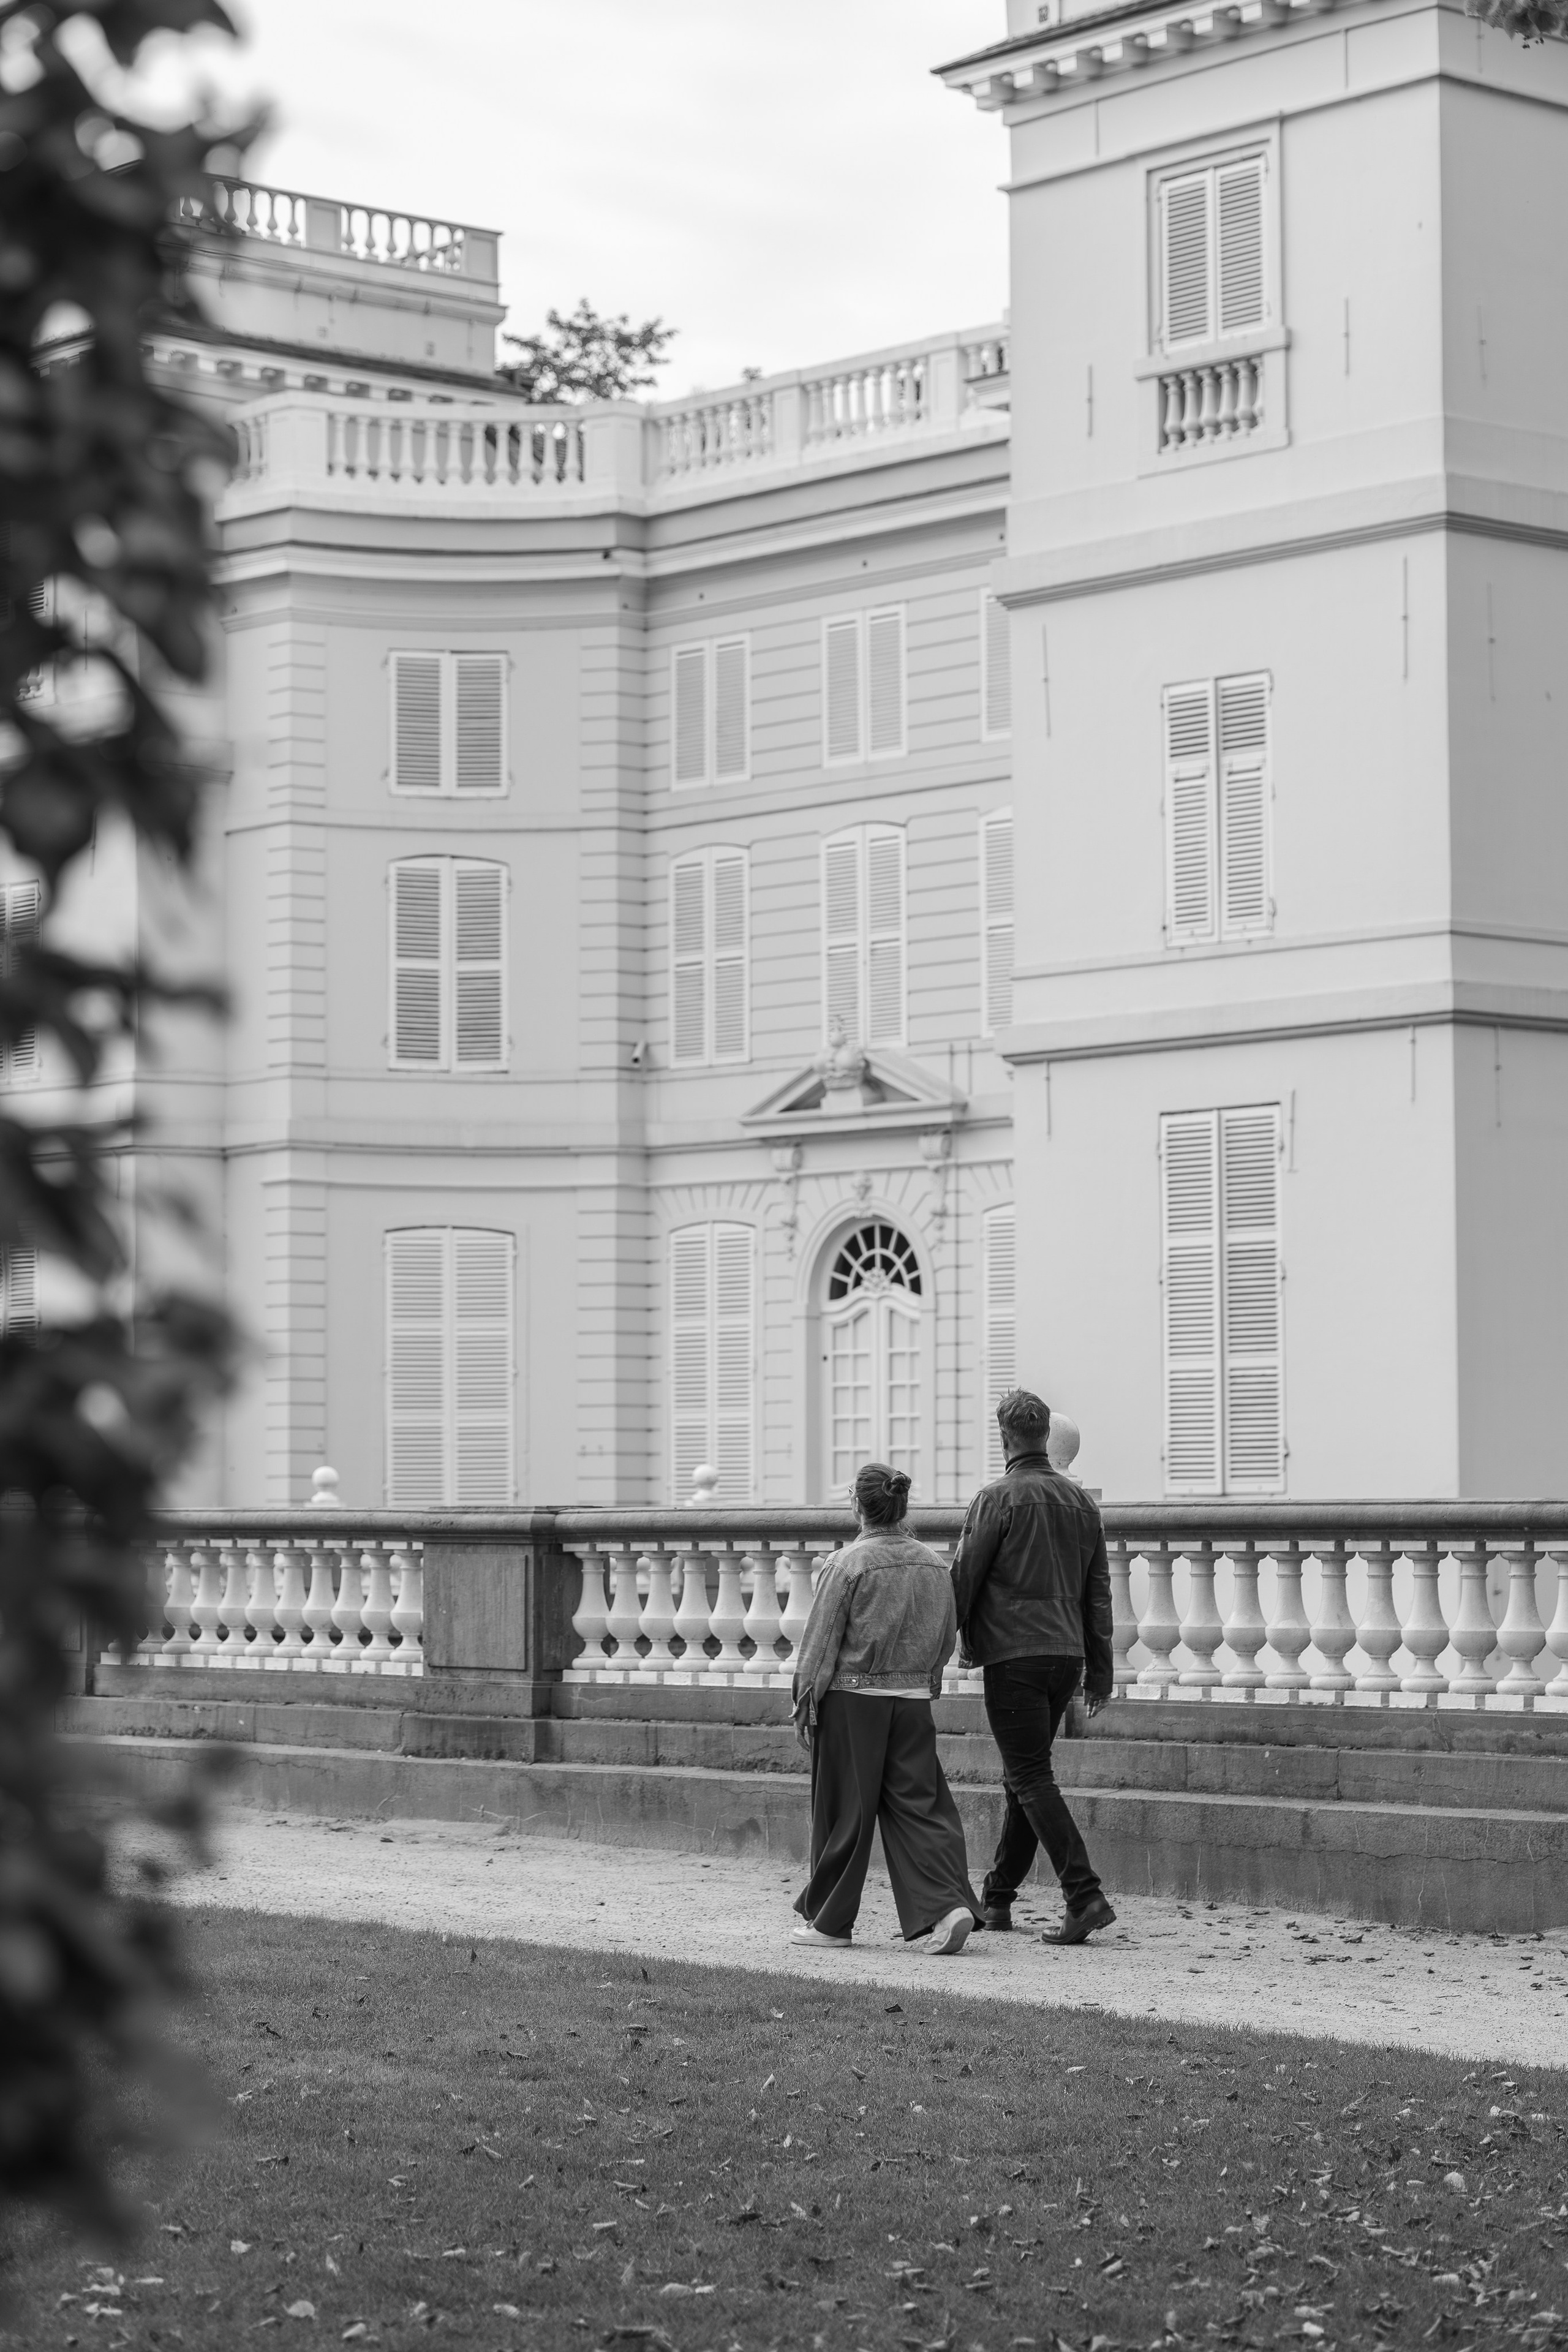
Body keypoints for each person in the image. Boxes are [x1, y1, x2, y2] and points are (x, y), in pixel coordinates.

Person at [790, 1462, 982, 1956]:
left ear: (858, 1505)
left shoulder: (847, 1563)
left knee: (845, 1814)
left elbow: (822, 1640)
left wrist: (805, 1701)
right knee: (923, 1808)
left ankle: (831, 1923)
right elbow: (946, 1635)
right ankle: (949, 1906)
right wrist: (928, 1680)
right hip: (914, 1700)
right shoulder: (934, 1563)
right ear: (902, 1506)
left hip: (854, 1703)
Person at [950, 1389, 1117, 1946]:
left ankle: (1084, 1894)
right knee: (1022, 1776)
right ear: (1046, 1435)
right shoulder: (1082, 1505)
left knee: (1028, 1776)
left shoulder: (995, 1499)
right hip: (1066, 1658)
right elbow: (1098, 1595)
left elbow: (964, 1580)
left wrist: (963, 1642)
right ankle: (996, 1899)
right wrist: (1101, 1671)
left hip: (1014, 1656)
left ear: (1004, 1438)